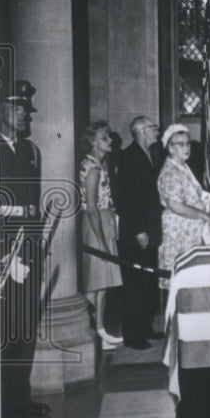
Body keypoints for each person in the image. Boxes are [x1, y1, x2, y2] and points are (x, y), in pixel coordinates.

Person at [0, 81, 49, 418]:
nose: (22, 114)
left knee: (24, 324)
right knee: (2, 329)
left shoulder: (31, 151)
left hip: (28, 249)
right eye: (15, 107)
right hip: (2, 254)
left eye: (25, 109)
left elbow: (33, 204)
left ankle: (19, 397)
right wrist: (3, 255)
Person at [116, 116, 164, 349]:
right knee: (135, 286)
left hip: (149, 230)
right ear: (142, 131)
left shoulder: (148, 154)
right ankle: (132, 336)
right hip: (137, 234)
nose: (157, 131)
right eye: (153, 128)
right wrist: (139, 231)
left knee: (147, 284)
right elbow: (127, 199)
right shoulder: (129, 157)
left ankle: (144, 328)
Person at [79, 121, 124, 350]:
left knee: (102, 284)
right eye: (105, 137)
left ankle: (100, 331)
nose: (110, 141)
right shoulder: (93, 169)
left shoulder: (98, 165)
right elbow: (91, 208)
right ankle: (95, 332)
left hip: (104, 222)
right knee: (95, 283)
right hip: (96, 225)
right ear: (93, 143)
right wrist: (101, 244)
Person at [157, 125, 210, 288]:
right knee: (180, 278)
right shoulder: (170, 171)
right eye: (180, 144)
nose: (186, 147)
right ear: (169, 147)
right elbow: (175, 205)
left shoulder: (182, 166)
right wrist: (204, 215)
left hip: (190, 229)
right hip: (179, 230)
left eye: (188, 143)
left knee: (191, 278)